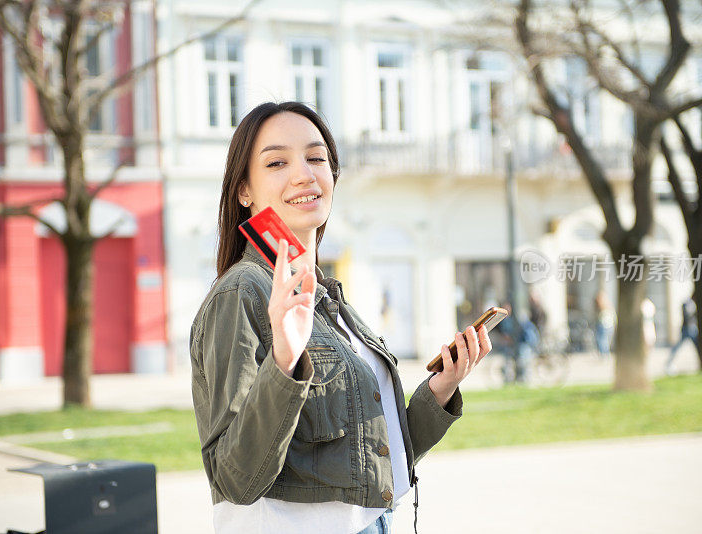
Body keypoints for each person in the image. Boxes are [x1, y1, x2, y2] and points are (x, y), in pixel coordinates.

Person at [189, 102, 493, 534]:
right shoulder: (242, 293)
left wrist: (440, 390)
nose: (304, 174)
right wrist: (284, 362)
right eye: (277, 162)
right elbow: (235, 477)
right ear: (244, 191)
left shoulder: (326, 300)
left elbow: (368, 456)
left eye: (316, 158)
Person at [665, 297, 698, 375]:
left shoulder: (693, 304)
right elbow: (687, 315)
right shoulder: (686, 304)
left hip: (693, 329)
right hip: (686, 329)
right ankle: (668, 364)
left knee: (697, 346)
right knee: (677, 347)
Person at [593, 290, 616, 358]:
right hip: (609, 325)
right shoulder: (609, 306)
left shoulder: (603, 307)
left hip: (604, 325)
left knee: (602, 340)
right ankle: (605, 354)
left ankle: (604, 354)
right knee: (604, 340)